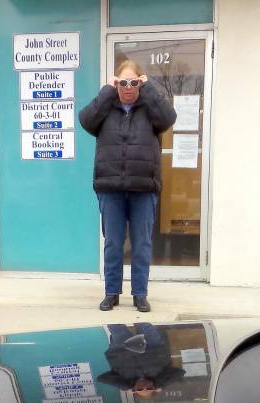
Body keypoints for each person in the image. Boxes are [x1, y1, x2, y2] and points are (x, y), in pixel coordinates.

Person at [79, 60, 177, 312]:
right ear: (116, 84)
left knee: (141, 243)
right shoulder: (106, 108)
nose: (129, 87)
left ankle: (140, 294)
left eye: (134, 82)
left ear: (140, 84)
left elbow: (168, 118)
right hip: (110, 187)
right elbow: (86, 121)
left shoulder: (149, 109)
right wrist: (106, 92)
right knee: (113, 242)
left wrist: (150, 89)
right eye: (123, 82)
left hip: (143, 188)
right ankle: (111, 292)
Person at [97, 323, 184, 399]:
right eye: (149, 388)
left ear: (134, 390)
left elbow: (101, 378)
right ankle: (139, 306)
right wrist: (160, 385)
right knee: (143, 323)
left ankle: (112, 306)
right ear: (154, 387)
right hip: (153, 347)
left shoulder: (124, 380)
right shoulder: (160, 377)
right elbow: (180, 372)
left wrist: (126, 387)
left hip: (122, 350)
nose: (144, 387)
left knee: (116, 326)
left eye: (140, 389)